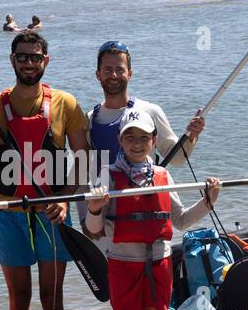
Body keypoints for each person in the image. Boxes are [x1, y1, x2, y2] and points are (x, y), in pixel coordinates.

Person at [0, 31, 91, 310]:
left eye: (34, 57)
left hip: (52, 213)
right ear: (12, 60)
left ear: (45, 61)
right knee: (19, 298)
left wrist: (64, 200)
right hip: (8, 211)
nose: (28, 63)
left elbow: (86, 159)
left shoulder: (65, 103)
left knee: (52, 297)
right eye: (21, 57)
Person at [83, 109, 220, 310]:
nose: (137, 143)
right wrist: (94, 208)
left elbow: (181, 220)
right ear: (119, 139)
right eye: (130, 137)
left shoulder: (162, 174)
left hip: (160, 263)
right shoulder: (106, 174)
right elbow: (93, 230)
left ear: (154, 140)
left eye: (144, 137)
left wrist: (208, 201)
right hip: (123, 264)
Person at [81, 41, 206, 244]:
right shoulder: (90, 119)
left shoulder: (150, 111)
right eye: (107, 69)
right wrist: (87, 216)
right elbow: (84, 171)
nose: (113, 75)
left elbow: (177, 158)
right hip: (107, 216)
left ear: (130, 73)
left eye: (119, 69)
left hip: (146, 210)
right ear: (98, 74)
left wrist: (192, 135)